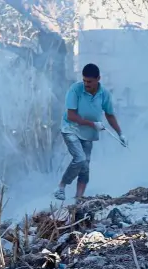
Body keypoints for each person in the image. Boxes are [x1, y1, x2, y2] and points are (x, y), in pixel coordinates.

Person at [54, 63, 127, 201]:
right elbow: (71, 116)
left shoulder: (104, 94)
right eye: (84, 81)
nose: (86, 84)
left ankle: (78, 198)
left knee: (85, 165)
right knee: (80, 158)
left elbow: (110, 115)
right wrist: (92, 124)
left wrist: (120, 134)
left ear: (98, 78)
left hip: (88, 134)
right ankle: (61, 187)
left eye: (90, 81)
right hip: (71, 129)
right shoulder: (75, 90)